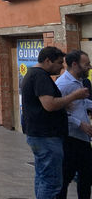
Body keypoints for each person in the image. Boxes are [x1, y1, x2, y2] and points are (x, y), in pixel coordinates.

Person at [22, 46, 88, 199]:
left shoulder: (33, 74)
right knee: (51, 182)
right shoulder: (40, 76)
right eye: (59, 63)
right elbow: (49, 104)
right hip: (46, 137)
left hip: (39, 135)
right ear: (47, 61)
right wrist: (73, 96)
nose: (62, 67)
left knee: (43, 177)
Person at [56, 50, 92, 199]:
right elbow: (57, 111)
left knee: (86, 178)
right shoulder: (63, 84)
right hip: (70, 138)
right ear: (75, 64)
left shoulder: (80, 82)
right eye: (86, 64)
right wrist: (79, 124)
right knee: (65, 178)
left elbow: (81, 104)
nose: (89, 67)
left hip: (83, 139)